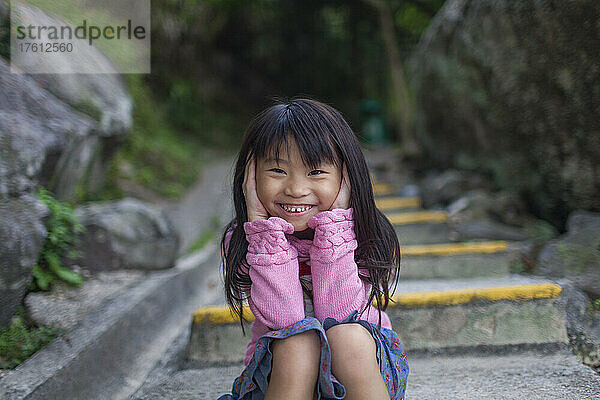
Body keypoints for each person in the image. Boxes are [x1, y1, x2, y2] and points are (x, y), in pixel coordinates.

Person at [216, 98, 408, 400]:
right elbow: (284, 321)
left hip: (363, 372)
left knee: (346, 335)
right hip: (283, 377)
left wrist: (335, 230)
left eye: (316, 172)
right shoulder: (247, 238)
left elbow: (340, 313)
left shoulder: (364, 231)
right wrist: (260, 227)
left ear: (346, 175)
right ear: (250, 176)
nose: (295, 189)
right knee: (297, 341)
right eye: (277, 171)